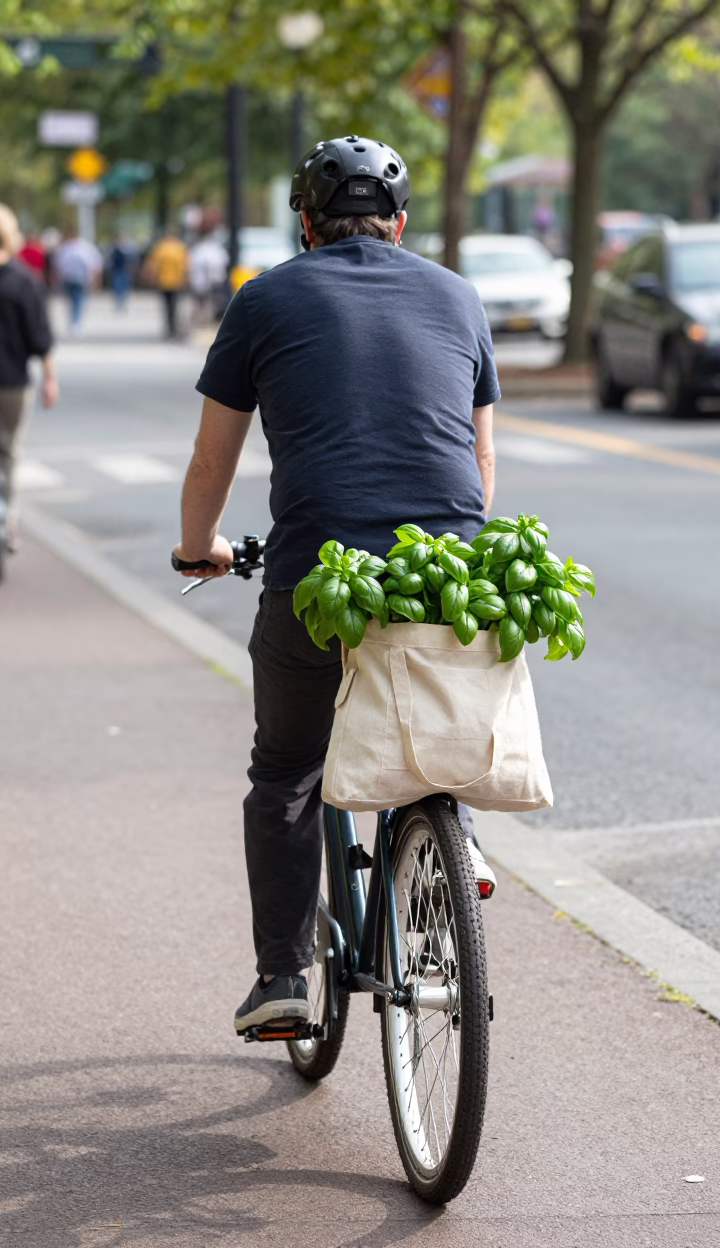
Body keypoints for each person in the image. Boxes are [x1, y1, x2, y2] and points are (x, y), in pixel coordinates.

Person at [171, 136, 499, 1033]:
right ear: (398, 225)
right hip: (450, 574)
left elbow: (213, 457)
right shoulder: (458, 295)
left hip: (318, 571)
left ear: (306, 228)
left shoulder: (266, 298)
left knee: (285, 771)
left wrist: (198, 547)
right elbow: (478, 458)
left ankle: (283, 979)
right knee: (433, 721)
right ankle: (454, 841)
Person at [0, 203, 58, 550]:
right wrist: (50, 378)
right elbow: (39, 337)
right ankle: (8, 521)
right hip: (12, 382)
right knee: (9, 452)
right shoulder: (23, 281)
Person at [143, 227, 188, 338]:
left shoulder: (160, 247)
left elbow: (153, 265)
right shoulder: (179, 247)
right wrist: (185, 278)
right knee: (174, 305)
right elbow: (185, 265)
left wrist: (150, 277)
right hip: (176, 281)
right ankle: (173, 327)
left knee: (166, 306)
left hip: (163, 281)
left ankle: (169, 327)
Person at [53, 232, 102, 333]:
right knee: (72, 301)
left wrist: (95, 278)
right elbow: (58, 265)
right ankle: (74, 320)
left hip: (80, 278)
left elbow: (94, 263)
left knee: (78, 300)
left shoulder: (83, 248)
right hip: (69, 278)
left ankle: (75, 320)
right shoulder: (67, 248)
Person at [188, 232, 228, 324]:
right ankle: (204, 318)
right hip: (208, 280)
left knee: (207, 300)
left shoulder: (202, 250)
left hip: (209, 280)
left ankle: (205, 318)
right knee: (206, 300)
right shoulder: (214, 250)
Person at [108, 233, 135, 310]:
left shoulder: (127, 250)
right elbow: (111, 260)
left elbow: (131, 261)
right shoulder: (114, 249)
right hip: (117, 270)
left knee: (125, 287)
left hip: (125, 271)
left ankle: (123, 302)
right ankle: (118, 302)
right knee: (117, 287)